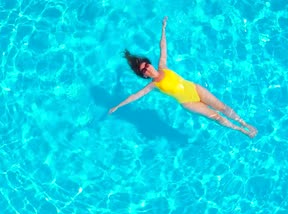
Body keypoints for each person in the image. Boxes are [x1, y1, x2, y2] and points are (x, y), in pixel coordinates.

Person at [108, 16, 258, 138]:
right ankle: (242, 131)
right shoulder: (153, 85)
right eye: (143, 71)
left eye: (146, 65)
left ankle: (245, 124)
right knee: (216, 117)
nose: (147, 69)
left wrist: (163, 28)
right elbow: (135, 96)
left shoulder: (163, 66)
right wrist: (118, 106)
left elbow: (163, 47)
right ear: (144, 75)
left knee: (223, 107)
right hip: (188, 102)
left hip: (195, 89)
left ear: (150, 64)